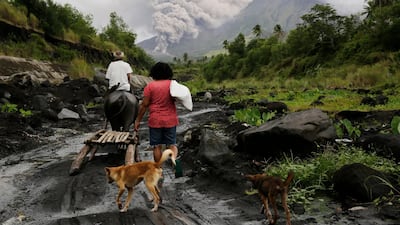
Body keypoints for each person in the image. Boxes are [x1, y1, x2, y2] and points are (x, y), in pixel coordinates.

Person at [134, 62, 182, 177]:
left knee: (157, 146)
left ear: (154, 73)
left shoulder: (150, 86)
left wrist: (138, 120)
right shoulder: (172, 85)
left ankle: (159, 170)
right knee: (172, 144)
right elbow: (179, 98)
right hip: (170, 120)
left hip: (155, 120)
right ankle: (174, 160)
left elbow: (144, 105)